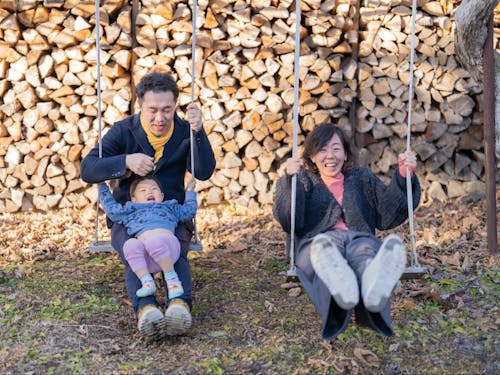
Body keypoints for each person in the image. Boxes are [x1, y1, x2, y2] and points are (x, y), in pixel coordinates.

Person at [81, 70, 216, 339]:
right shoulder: (124, 131)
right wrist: (125, 162)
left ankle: (180, 306)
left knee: (174, 249)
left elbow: (203, 171)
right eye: (152, 109)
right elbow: (88, 169)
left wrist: (198, 132)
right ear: (139, 105)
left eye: (167, 109)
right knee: (136, 251)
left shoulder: (184, 131)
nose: (160, 118)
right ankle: (146, 310)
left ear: (175, 106)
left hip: (171, 214)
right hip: (129, 216)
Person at [273, 122, 420, 341]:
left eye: (335, 148)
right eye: (322, 150)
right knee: (325, 257)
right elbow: (288, 218)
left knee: (364, 255)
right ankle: (345, 286)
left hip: (358, 238)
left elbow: (386, 212)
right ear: (311, 156)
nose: (329, 155)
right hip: (317, 242)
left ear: (345, 153)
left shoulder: (360, 177)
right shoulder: (303, 180)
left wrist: (402, 175)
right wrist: (288, 180)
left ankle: (372, 284)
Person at [98, 176, 197, 300]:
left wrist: (191, 192)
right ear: (134, 199)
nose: (149, 192)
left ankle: (173, 280)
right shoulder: (130, 211)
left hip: (169, 249)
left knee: (154, 241)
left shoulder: (170, 207)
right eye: (143, 190)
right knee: (130, 245)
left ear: (161, 196)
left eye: (154, 189)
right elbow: (112, 210)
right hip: (147, 259)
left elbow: (188, 211)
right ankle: (147, 282)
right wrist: (102, 187)